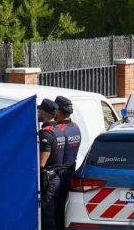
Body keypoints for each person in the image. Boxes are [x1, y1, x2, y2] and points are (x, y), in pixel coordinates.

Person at [54, 95, 82, 230]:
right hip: (70, 173)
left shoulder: (58, 130)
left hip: (58, 176)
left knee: (56, 211)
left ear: (58, 111)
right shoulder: (75, 127)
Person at [38, 98, 63, 230]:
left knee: (46, 215)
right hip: (56, 178)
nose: (37, 114)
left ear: (43, 113)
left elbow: (42, 162)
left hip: (48, 180)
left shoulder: (46, 133)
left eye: (39, 111)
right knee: (53, 213)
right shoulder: (58, 129)